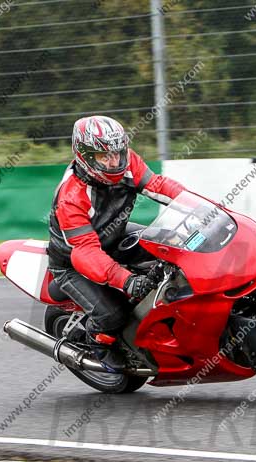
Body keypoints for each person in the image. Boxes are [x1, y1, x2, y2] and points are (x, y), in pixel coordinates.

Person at [47, 115, 187, 369]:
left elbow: (157, 185)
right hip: (73, 261)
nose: (114, 162)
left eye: (117, 153)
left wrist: (199, 205)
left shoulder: (127, 161)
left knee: (173, 249)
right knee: (113, 314)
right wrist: (128, 281)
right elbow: (87, 252)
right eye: (104, 157)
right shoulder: (71, 197)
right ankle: (96, 341)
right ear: (85, 157)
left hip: (114, 236)